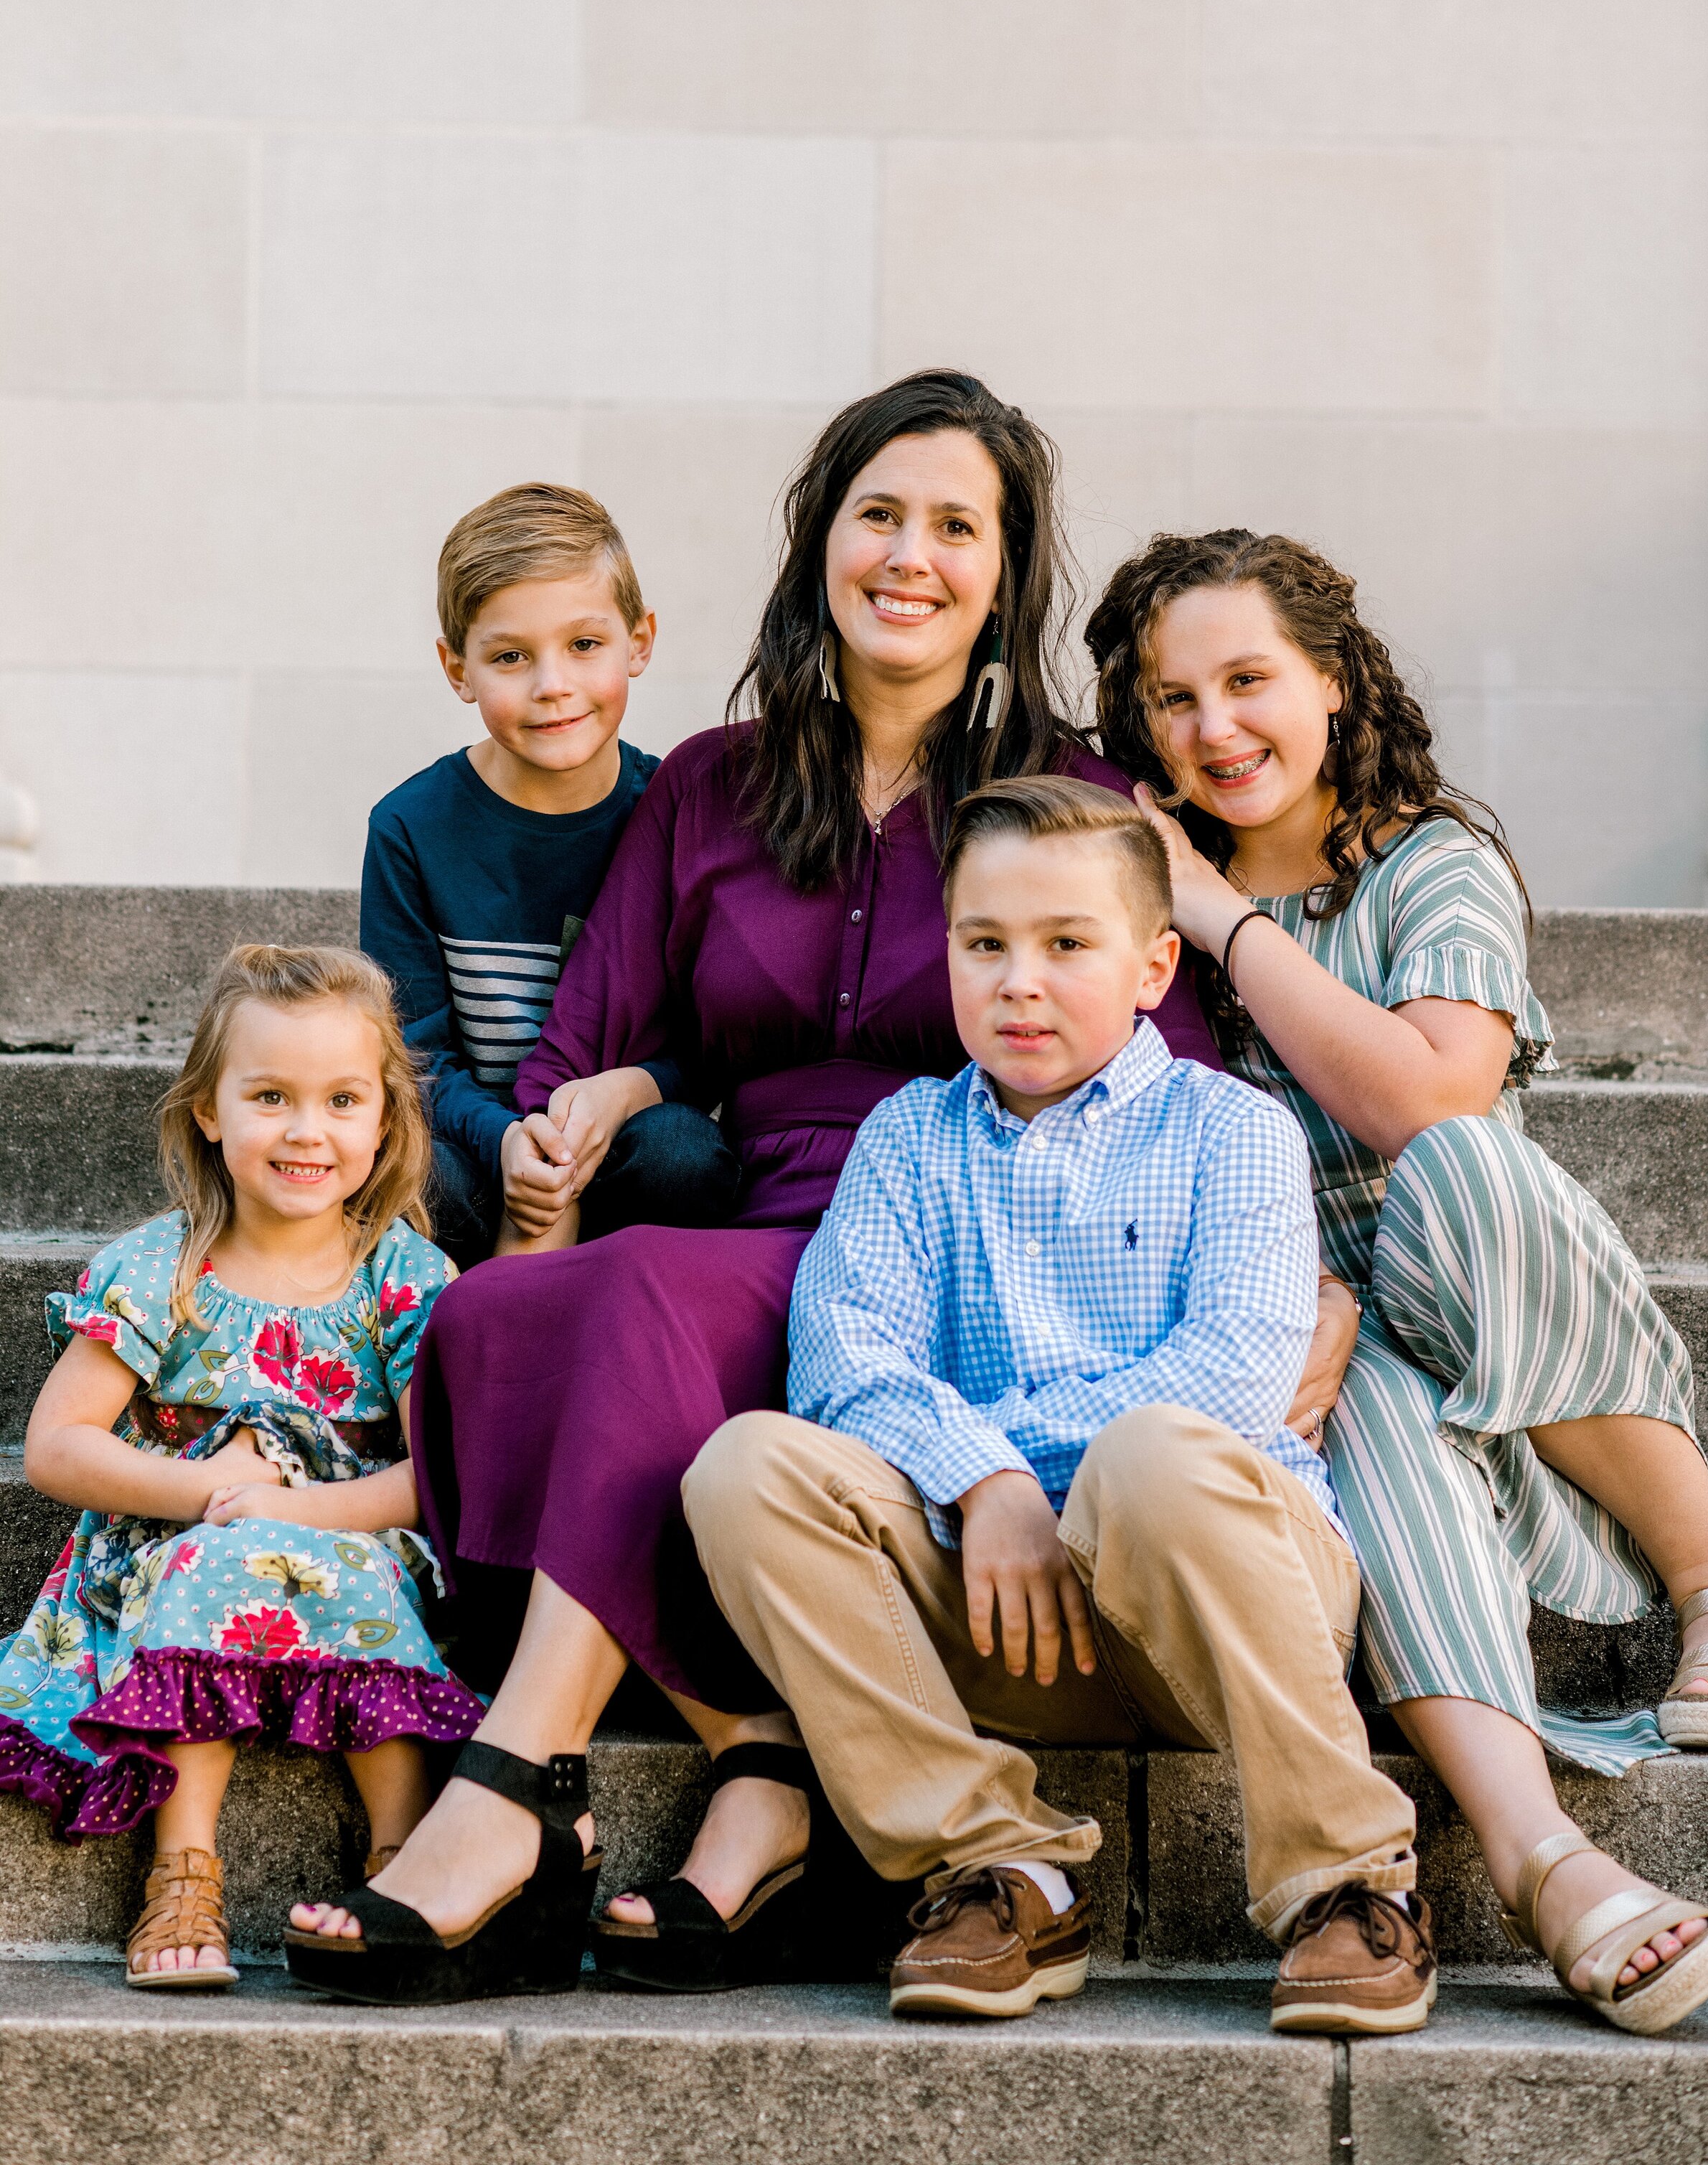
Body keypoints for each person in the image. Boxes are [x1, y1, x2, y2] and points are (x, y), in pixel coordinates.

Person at [283, 369, 1244, 2009]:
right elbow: (590, 1042)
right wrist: (577, 1112)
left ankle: (519, 1785)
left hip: (956, 1233)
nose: (909, 554)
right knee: (510, 1305)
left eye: (956, 525)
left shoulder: (1075, 802)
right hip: (757, 1208)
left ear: (1005, 572)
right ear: (821, 542)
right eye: (879, 514)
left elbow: (1168, 1087)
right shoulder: (712, 784)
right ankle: (760, 1765)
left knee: (647, 1294)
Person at [1085, 526, 1708, 2035]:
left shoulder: (1432, 864)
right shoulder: (1137, 916)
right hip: (1345, 1358)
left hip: (1524, 1328)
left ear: (1333, 680)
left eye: (1249, 680)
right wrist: (1311, 1286)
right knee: (1355, 1395)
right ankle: (1549, 1863)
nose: (1213, 728)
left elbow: (1427, 1099)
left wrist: (1223, 919)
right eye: (1172, 700)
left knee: (1459, 1166)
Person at [687, 777, 1430, 2034]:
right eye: (986, 945)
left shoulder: (1232, 1131)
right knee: (748, 1467)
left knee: (1154, 1454)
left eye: (1065, 945)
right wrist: (983, 1484)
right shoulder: (908, 1139)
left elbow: (1242, 1376)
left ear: (1152, 968)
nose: (1018, 982)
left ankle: (1351, 1885)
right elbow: (842, 1358)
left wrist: (1020, 1474)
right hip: (1010, 1621)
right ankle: (1001, 1866)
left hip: (1228, 1602)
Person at [0, 945, 484, 1989]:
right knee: (202, 1575)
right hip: (176, 1545)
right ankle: (185, 1869)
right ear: (210, 1112)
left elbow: (438, 1476)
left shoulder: (406, 1277)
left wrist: (290, 1511)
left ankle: (403, 1855)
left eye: (342, 1101)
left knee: (351, 1579)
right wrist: (213, 1501)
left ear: (384, 1123)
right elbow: (57, 1446)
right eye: (271, 1096)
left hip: (353, 1531)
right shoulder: (159, 1268)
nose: (308, 1130)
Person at [360, 482, 736, 1266]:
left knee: (686, 1155)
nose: (552, 684)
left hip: (625, 1140)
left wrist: (629, 1089)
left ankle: (618, 1299)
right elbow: (413, 1058)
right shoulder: (410, 828)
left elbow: (715, 1034)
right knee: (411, 1176)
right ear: (456, 668)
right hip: (482, 1149)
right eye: (510, 656)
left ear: (640, 640)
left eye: (585, 645)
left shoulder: (679, 814)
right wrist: (504, 1139)